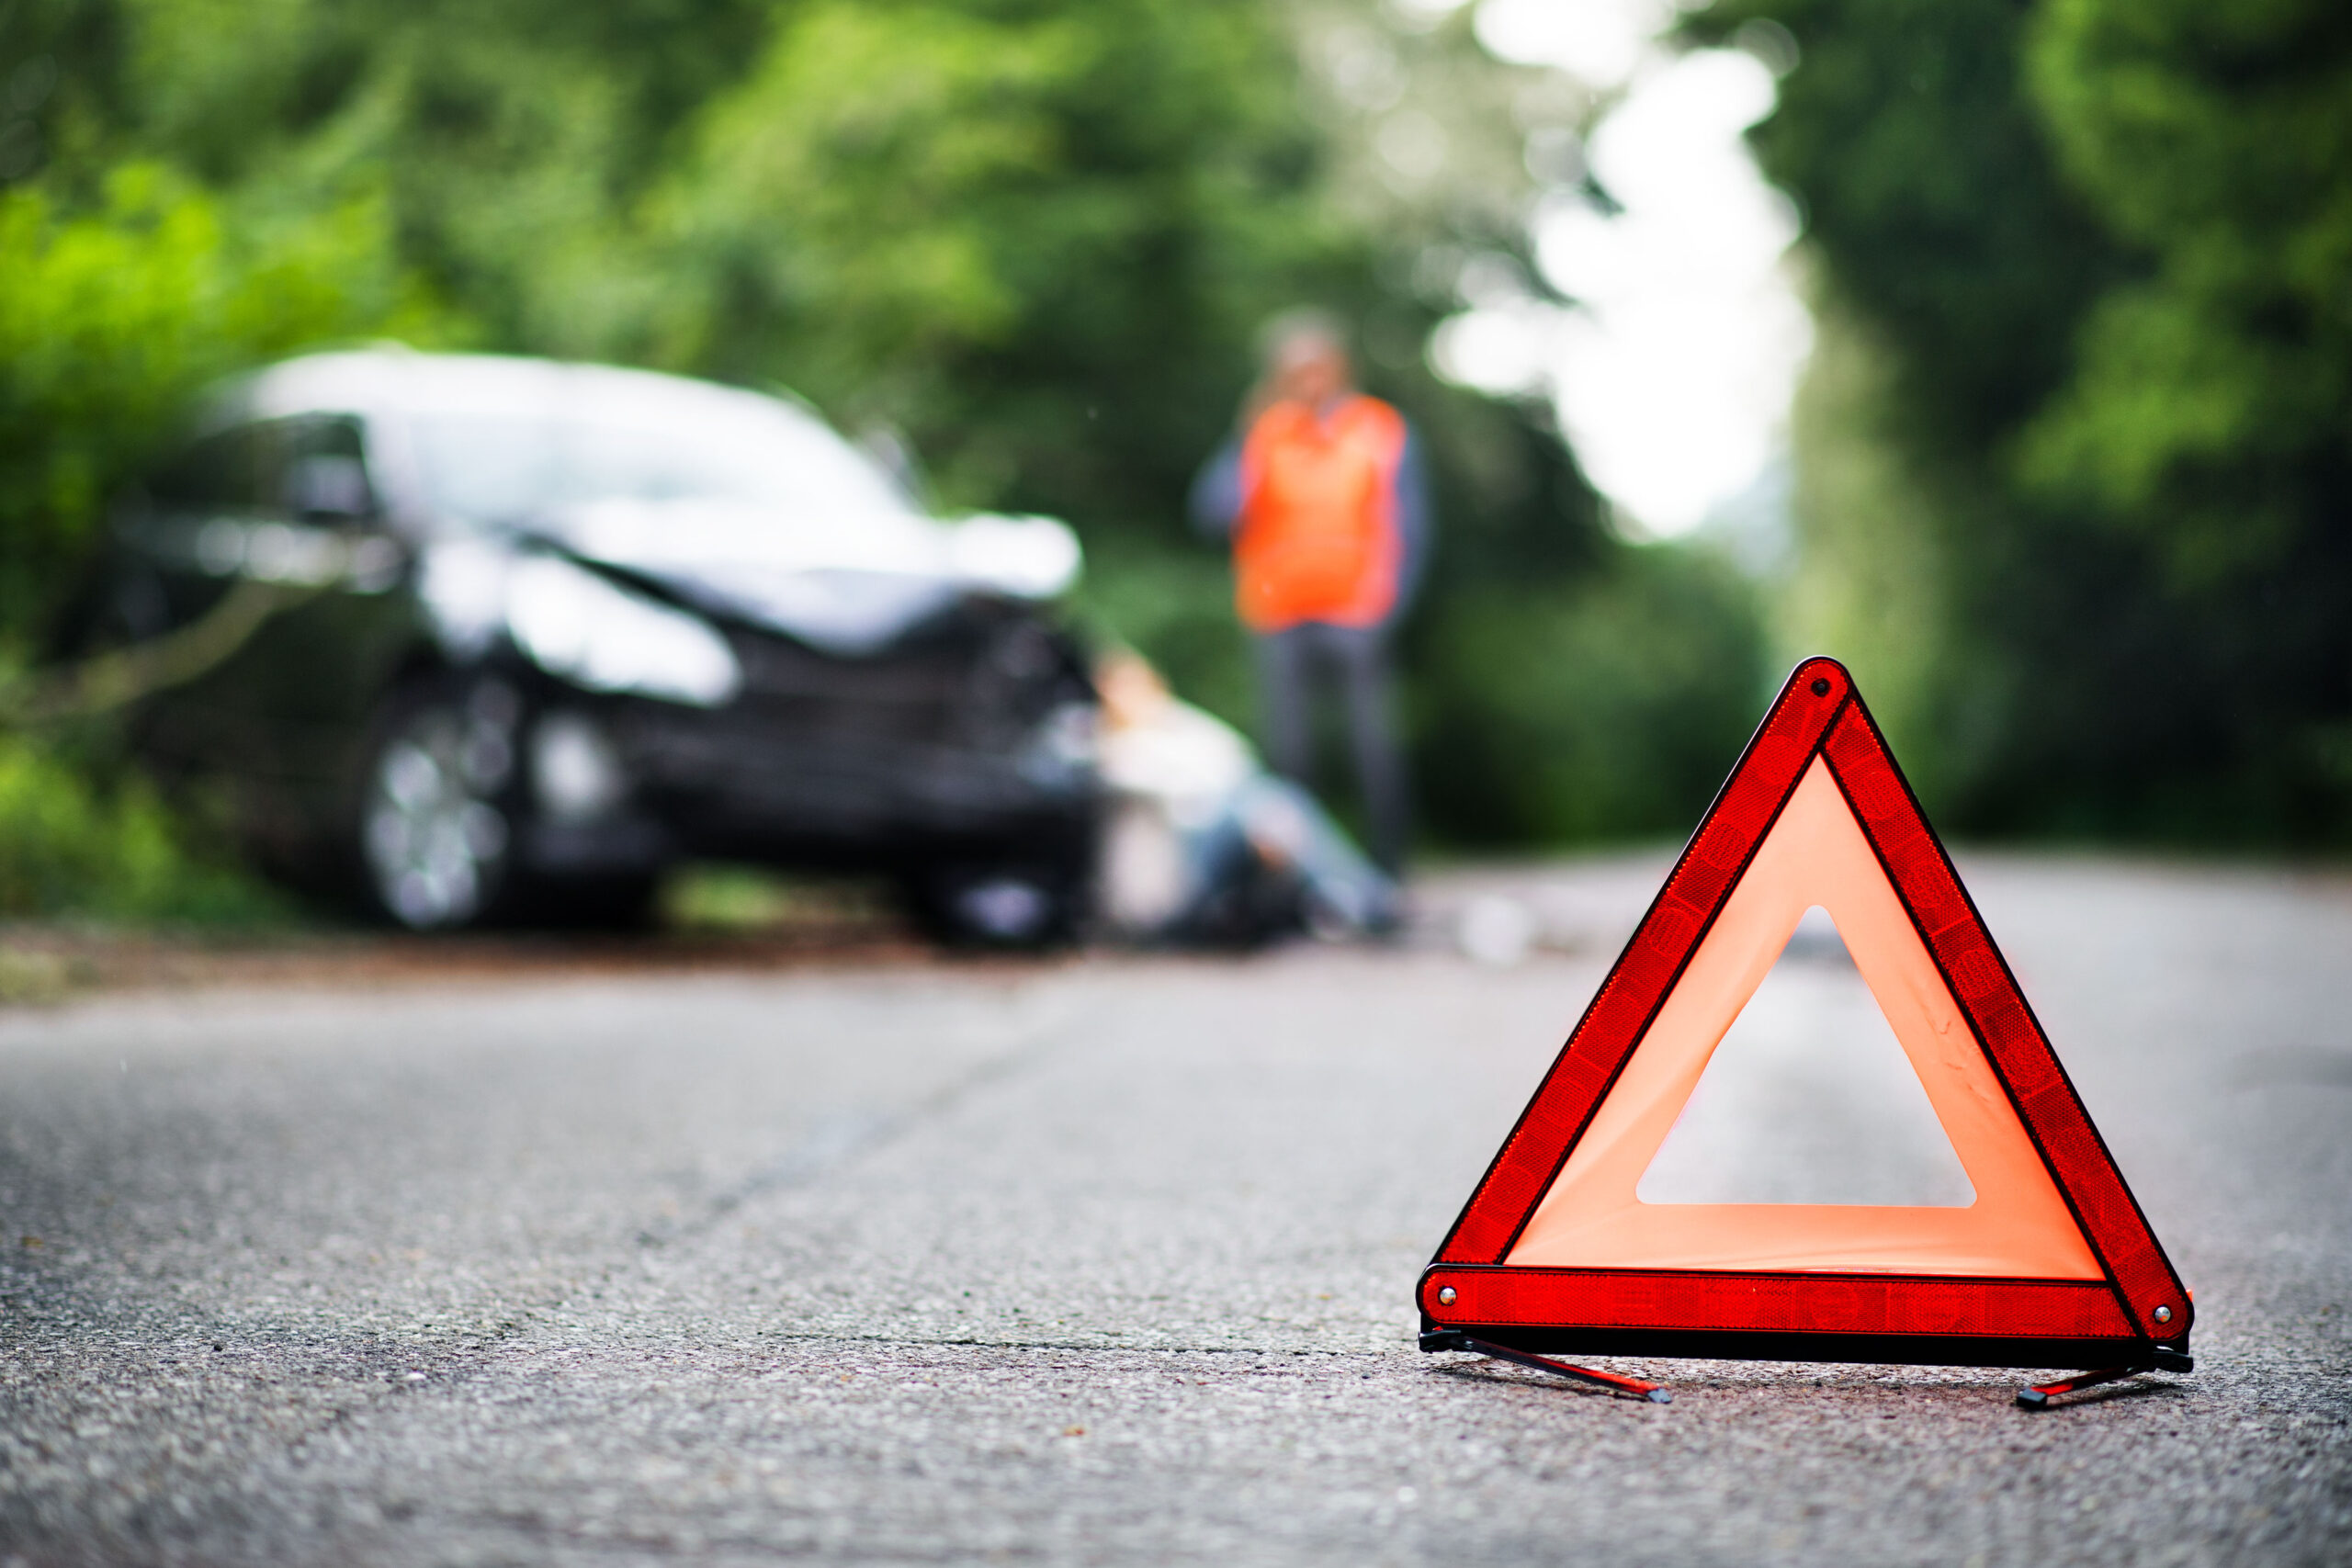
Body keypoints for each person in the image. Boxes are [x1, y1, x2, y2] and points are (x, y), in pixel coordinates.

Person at [1189, 311, 1429, 874]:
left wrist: (1390, 603)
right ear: (1279, 376)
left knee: (1373, 747)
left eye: (1317, 368)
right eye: (1295, 372)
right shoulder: (1265, 434)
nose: (1308, 381)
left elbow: (1411, 525)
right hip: (1278, 611)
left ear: (1340, 368)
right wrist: (1245, 439)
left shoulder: (1379, 429)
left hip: (1356, 611)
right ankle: (1304, 876)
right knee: (1290, 753)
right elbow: (1212, 512)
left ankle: (1389, 871)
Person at [1092, 649, 1398, 946]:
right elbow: (1172, 786)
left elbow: (1237, 759)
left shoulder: (1179, 724)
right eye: (1120, 689)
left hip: (1230, 826)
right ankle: (1357, 898)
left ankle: (1348, 897)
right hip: (1187, 856)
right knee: (1268, 803)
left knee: (1273, 800)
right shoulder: (1105, 744)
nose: (1130, 697)